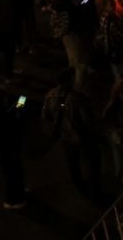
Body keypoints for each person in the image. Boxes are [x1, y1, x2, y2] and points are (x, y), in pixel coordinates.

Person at [43, 69, 102, 201]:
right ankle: (94, 191)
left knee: (73, 164)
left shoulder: (49, 96)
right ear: (68, 81)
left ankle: (80, 188)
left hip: (65, 138)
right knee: (91, 163)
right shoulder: (77, 98)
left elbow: (45, 116)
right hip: (82, 137)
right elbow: (88, 120)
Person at [0, 85, 27, 209]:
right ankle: (12, 199)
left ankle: (19, 188)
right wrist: (20, 104)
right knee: (10, 173)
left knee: (14, 169)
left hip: (2, 147)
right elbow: (14, 120)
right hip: (5, 148)